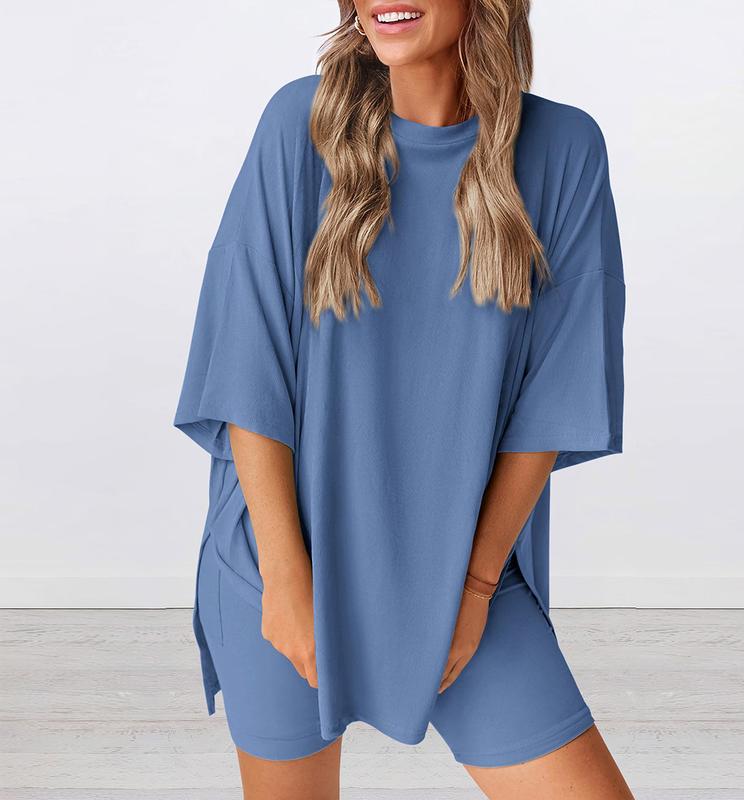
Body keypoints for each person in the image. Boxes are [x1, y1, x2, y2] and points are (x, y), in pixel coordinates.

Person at [174, 1, 633, 797]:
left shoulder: (564, 148)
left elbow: (555, 397)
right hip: (283, 560)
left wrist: (476, 590)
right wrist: (284, 583)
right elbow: (247, 365)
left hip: (467, 568)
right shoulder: (299, 125)